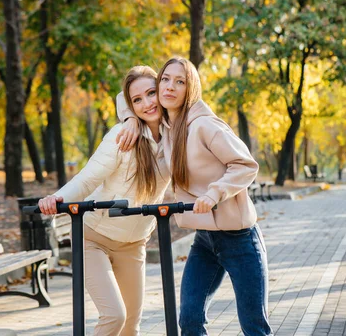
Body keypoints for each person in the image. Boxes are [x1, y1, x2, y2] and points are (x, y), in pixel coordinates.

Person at [116, 57, 272, 336]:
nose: (170, 87)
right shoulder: (165, 126)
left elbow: (246, 165)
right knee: (189, 320)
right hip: (204, 240)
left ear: (191, 89)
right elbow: (123, 95)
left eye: (180, 81)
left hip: (240, 239)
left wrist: (214, 194)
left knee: (254, 327)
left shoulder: (205, 126)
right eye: (165, 79)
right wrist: (129, 118)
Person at [38, 66, 170, 336]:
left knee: (131, 327)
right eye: (137, 100)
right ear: (130, 105)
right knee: (114, 316)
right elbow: (87, 179)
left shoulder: (175, 136)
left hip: (134, 244)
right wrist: (57, 198)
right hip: (93, 238)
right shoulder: (122, 136)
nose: (147, 103)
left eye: (151, 93)